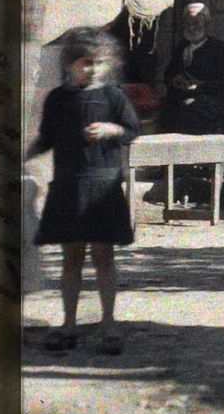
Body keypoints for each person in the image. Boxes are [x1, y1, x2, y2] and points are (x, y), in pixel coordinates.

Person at [29, 27, 141, 354]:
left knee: (103, 256)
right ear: (69, 65)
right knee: (71, 258)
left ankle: (108, 324)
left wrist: (111, 129)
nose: (91, 69)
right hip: (68, 187)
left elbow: (132, 130)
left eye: (97, 63)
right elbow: (46, 138)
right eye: (84, 62)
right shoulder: (57, 99)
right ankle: (68, 324)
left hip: (103, 187)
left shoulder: (113, 96)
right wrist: (24, 155)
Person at [159, 1, 224, 136]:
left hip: (210, 102)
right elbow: (168, 74)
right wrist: (175, 80)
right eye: (188, 24)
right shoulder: (181, 47)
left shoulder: (219, 49)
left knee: (189, 112)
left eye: (196, 23)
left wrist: (200, 86)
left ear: (206, 24)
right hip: (180, 99)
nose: (192, 28)